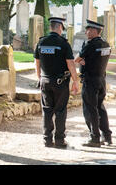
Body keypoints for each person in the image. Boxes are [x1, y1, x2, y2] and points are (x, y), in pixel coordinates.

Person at [34, 17, 79, 148]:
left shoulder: (41, 42)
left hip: (45, 80)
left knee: (47, 110)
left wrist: (39, 78)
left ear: (50, 27)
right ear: (60, 27)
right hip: (60, 83)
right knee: (60, 111)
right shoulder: (64, 43)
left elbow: (37, 62)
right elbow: (70, 64)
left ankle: (47, 140)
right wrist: (75, 81)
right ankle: (59, 140)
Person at [75, 19, 113, 147]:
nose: (86, 32)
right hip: (101, 80)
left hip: (90, 81)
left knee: (90, 110)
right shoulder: (106, 44)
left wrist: (82, 61)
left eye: (88, 30)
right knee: (100, 108)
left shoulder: (90, 45)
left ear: (94, 31)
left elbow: (77, 59)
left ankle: (94, 138)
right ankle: (107, 136)